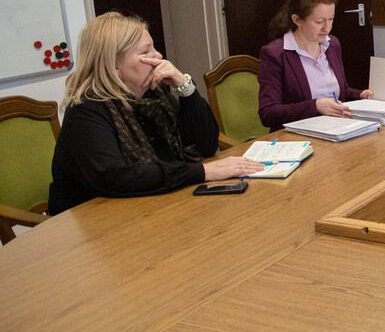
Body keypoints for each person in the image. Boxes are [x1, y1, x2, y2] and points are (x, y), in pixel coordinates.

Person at [49, 11, 264, 214]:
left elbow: (205, 146)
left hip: (154, 205)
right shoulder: (86, 110)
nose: (159, 55)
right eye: (145, 52)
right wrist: (204, 172)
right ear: (114, 66)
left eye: (154, 48)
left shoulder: (155, 95)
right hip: (95, 221)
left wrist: (186, 89)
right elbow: (115, 177)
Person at [258, 0, 372, 130]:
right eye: (319, 22)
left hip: (336, 129)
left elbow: (340, 91)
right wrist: (315, 106)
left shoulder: (332, 44)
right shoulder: (275, 54)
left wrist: (360, 95)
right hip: (298, 136)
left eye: (331, 19)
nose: (327, 28)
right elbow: (268, 113)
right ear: (297, 20)